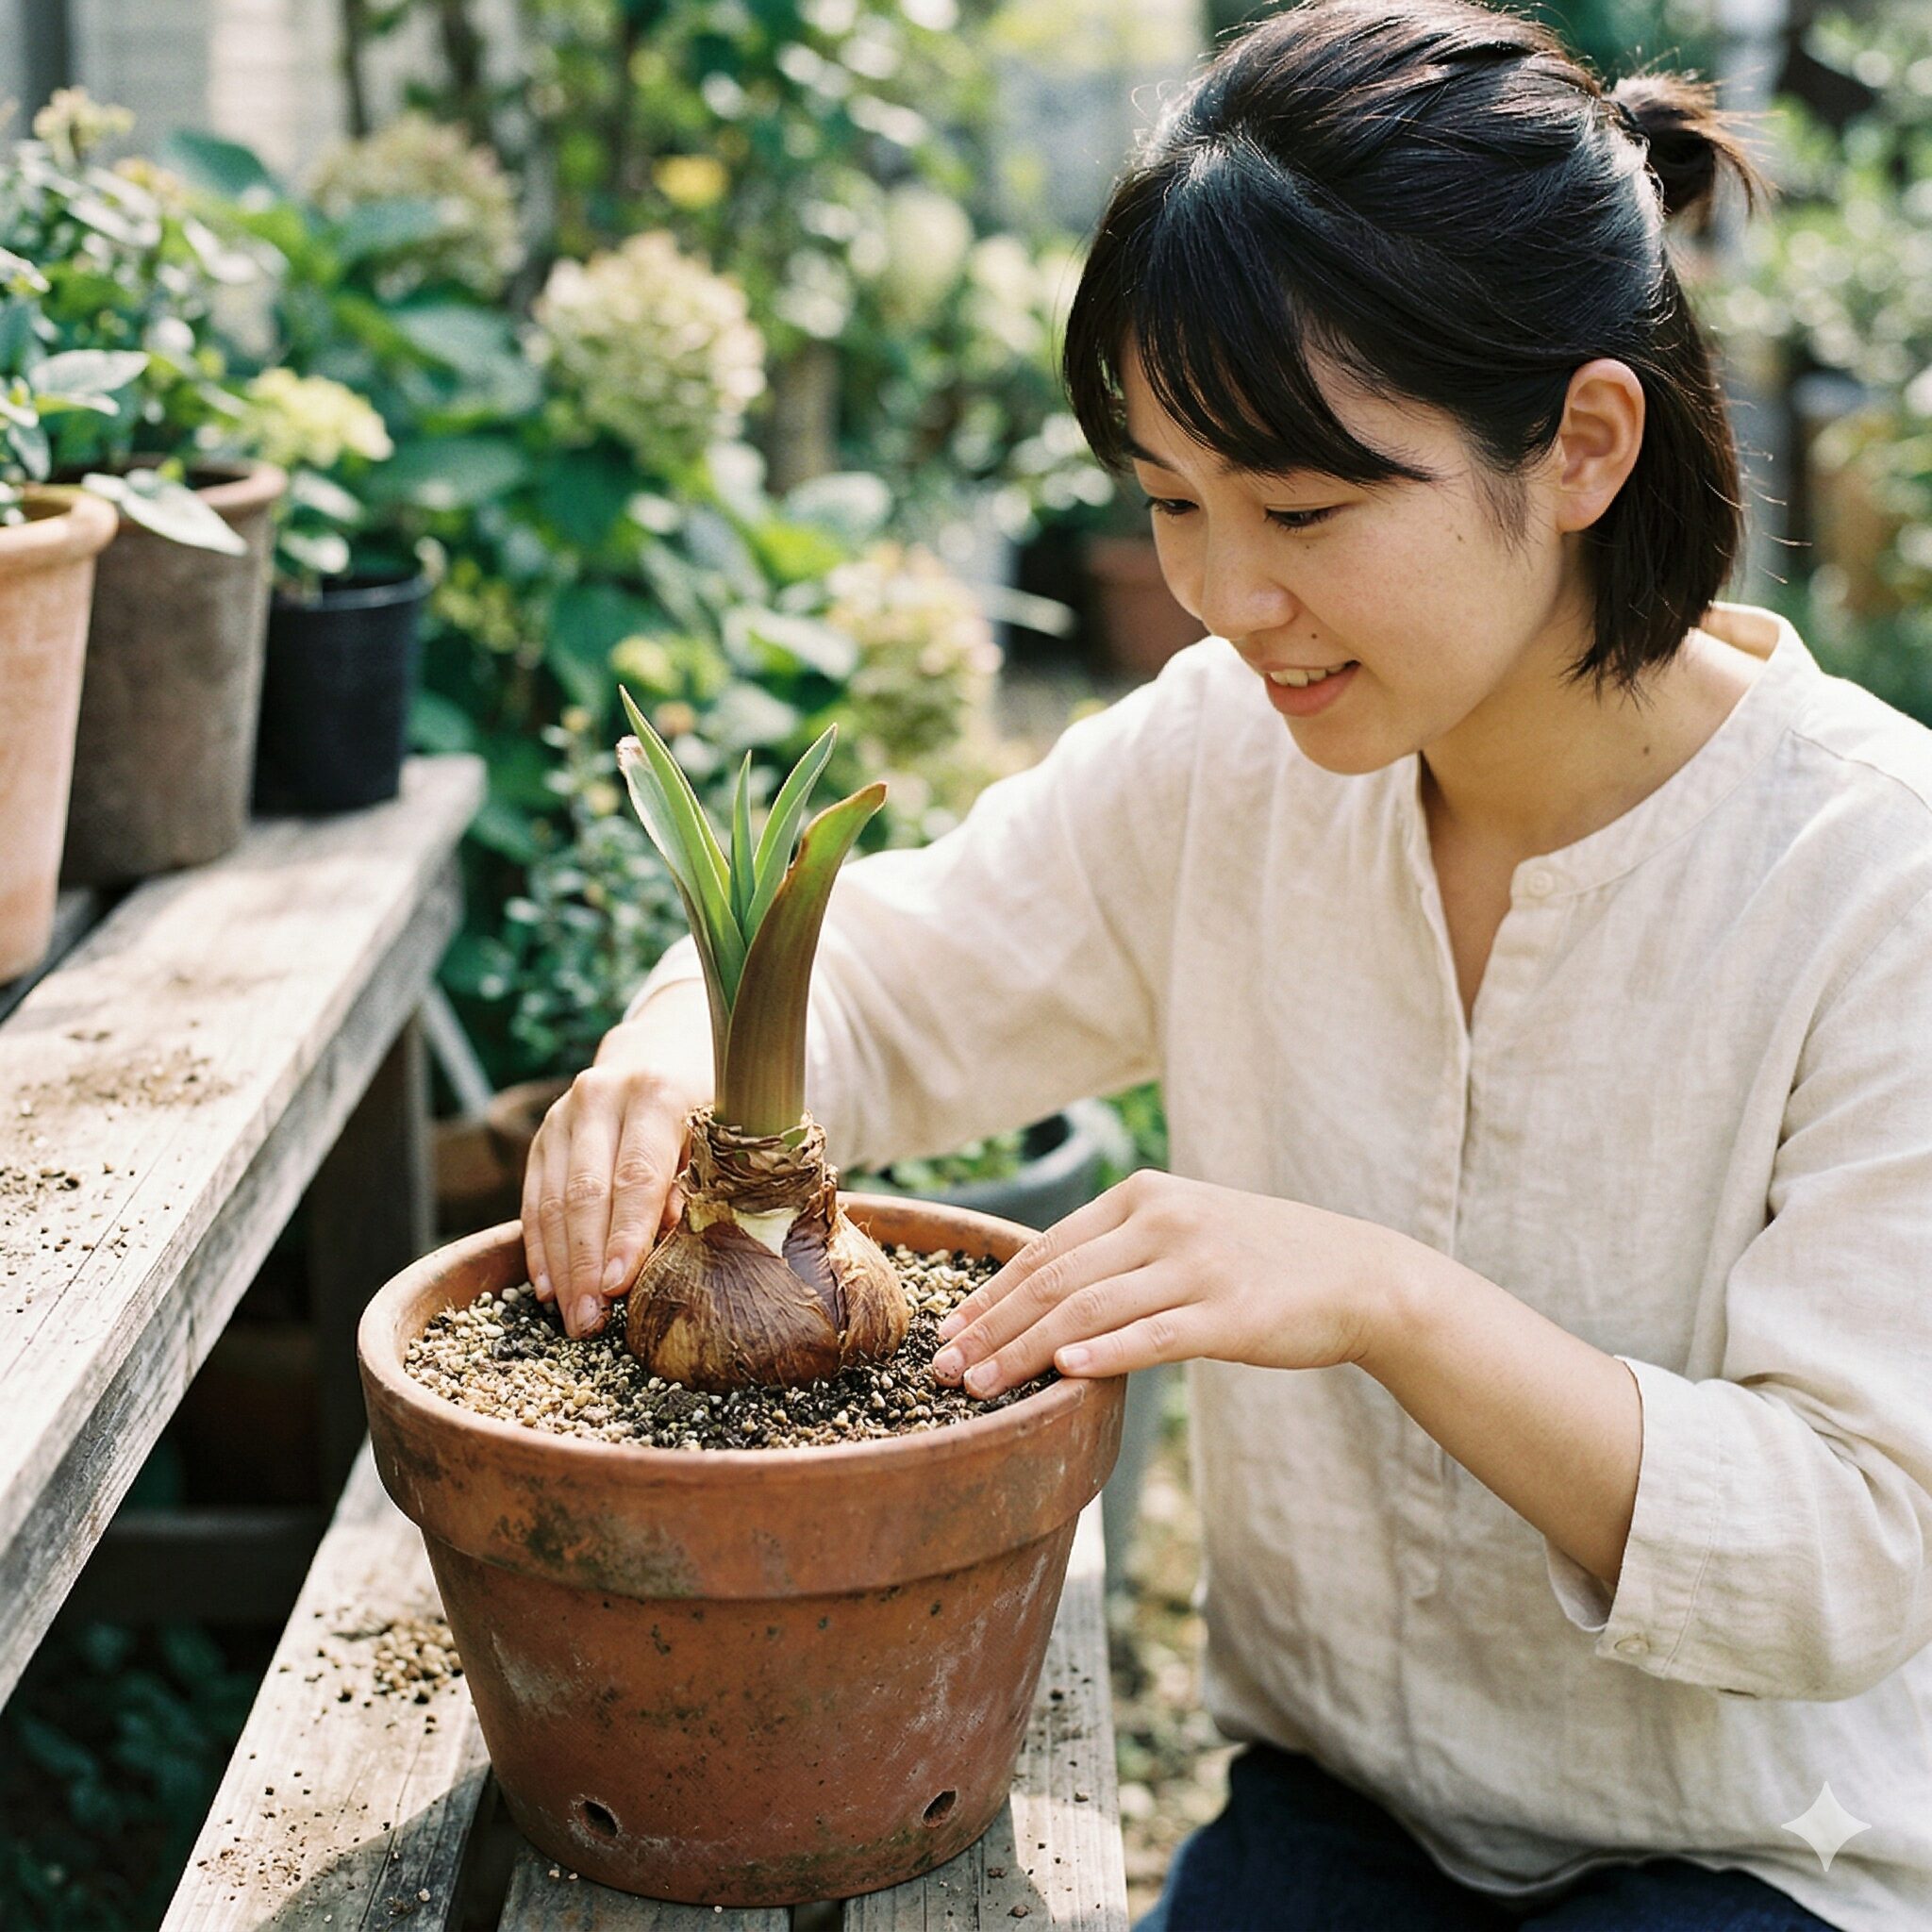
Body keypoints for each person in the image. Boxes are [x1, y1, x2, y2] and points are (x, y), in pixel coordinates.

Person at [519, 2, 1932, 1925]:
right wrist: (678, 1040)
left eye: (1302, 509)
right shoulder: (1226, 755)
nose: (1223, 593)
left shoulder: (1871, 872)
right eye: (1168, 499)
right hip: (1337, 1812)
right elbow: (900, 981)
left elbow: (1850, 1548)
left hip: (1761, 1853)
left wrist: (1386, 1299)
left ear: (1586, 442)